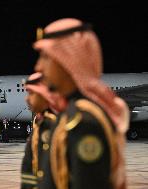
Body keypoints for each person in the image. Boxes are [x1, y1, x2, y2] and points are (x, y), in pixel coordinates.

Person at [33, 18, 129, 189]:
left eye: (46, 57)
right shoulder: (68, 115)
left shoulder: (84, 122)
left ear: (68, 59)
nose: (38, 66)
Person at [20, 72, 58, 189]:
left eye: (31, 93)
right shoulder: (40, 124)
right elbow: (29, 172)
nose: (27, 99)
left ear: (44, 95)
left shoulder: (59, 123)